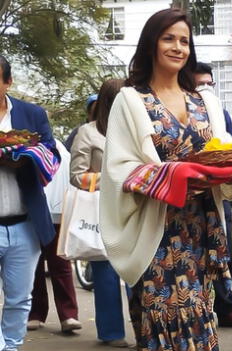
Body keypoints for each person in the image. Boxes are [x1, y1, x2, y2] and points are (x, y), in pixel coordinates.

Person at [100, 8, 232, 351]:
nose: (178, 47)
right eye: (168, 38)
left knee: (201, 327)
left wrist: (227, 171)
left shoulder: (207, 101)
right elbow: (118, 169)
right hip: (157, 232)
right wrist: (172, 177)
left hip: (201, 232)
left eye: (184, 41)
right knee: (162, 322)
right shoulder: (130, 100)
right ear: (151, 44)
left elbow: (227, 151)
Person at [0, 54, 60, 351]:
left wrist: (24, 158)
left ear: (7, 82)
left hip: (25, 224)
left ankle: (10, 347)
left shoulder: (32, 114)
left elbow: (52, 154)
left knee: (20, 298)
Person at [194, 61, 232, 329]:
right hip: (189, 194)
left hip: (218, 195)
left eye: (210, 83)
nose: (206, 89)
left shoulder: (221, 112)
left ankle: (228, 306)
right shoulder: (180, 113)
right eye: (200, 84)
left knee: (225, 252)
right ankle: (196, 309)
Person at [69, 78, 129, 348]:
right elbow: (76, 176)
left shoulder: (139, 131)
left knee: (139, 274)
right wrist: (115, 179)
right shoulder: (88, 132)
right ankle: (111, 332)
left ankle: (146, 328)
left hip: (135, 211)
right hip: (101, 213)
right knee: (105, 275)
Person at [28, 137, 82, 334]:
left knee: (60, 264)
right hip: (31, 214)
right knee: (34, 266)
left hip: (57, 215)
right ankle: (35, 314)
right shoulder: (26, 146)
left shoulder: (59, 148)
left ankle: (68, 315)